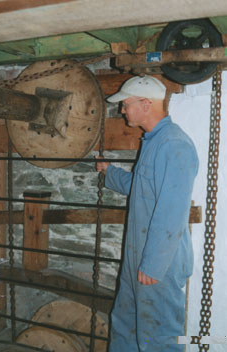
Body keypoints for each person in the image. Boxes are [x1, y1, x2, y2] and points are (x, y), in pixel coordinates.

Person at [96, 75, 199, 351]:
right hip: (138, 257)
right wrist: (110, 173)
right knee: (125, 326)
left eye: (125, 104)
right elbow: (142, 188)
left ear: (145, 104)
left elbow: (172, 212)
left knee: (159, 336)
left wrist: (153, 265)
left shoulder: (174, 145)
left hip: (158, 264)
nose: (122, 110)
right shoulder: (153, 140)